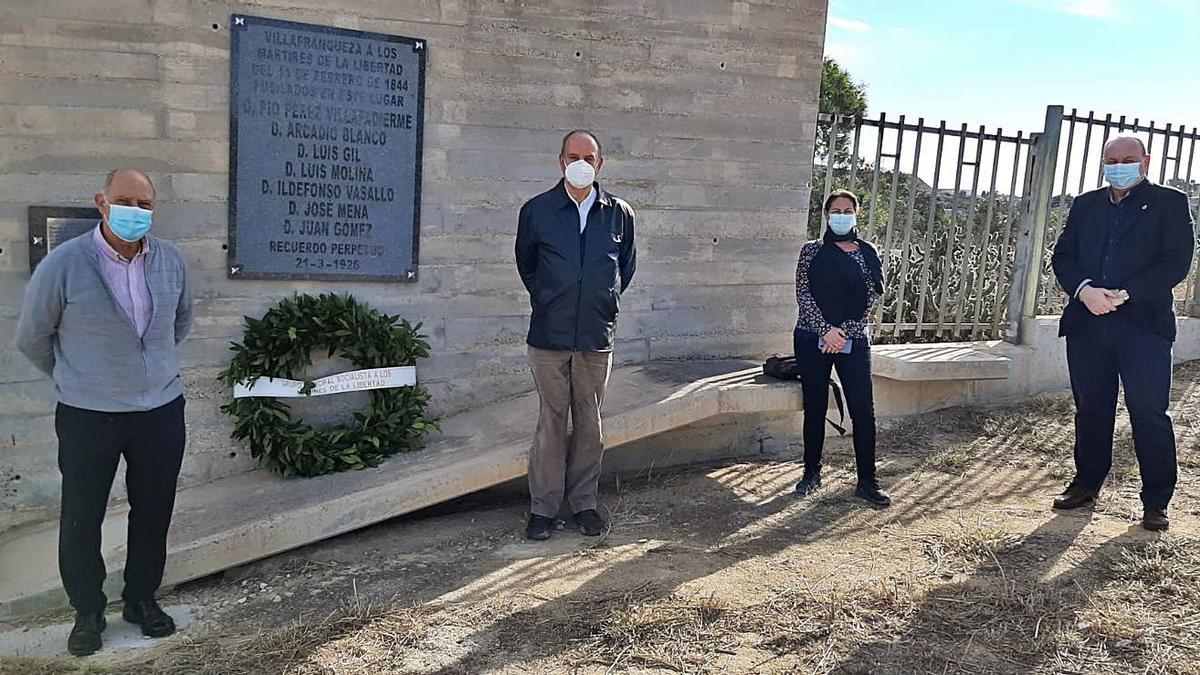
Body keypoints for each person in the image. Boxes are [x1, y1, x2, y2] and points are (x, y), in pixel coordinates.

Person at [15, 169, 193, 656]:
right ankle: (88, 611)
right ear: (101, 201)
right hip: (88, 415)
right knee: (82, 515)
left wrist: (146, 372)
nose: (136, 210)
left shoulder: (171, 261)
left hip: (159, 410)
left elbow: (180, 322)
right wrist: (80, 378)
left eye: (145, 203)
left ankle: (141, 599)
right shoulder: (65, 264)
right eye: (124, 200)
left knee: (153, 511)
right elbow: (33, 336)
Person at [1050, 136, 1195, 531]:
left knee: (1149, 413)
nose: (1119, 165)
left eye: (1128, 159)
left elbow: (1175, 263)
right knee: (1092, 409)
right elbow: (1062, 256)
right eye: (1111, 160)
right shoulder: (1086, 205)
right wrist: (1084, 291)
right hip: (1088, 323)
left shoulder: (1169, 202)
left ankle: (1156, 501)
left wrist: (1125, 294)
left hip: (1144, 326)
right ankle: (1086, 483)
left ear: (1145, 161)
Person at [514, 130, 637, 540]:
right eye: (573, 156)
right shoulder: (538, 210)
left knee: (590, 422)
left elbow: (626, 268)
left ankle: (584, 504)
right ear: (560, 161)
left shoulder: (619, 213)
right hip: (548, 336)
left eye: (589, 156)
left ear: (600, 163)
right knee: (552, 421)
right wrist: (550, 299)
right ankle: (543, 510)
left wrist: (603, 302)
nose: (581, 163)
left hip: (595, 337)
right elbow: (527, 265)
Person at [792, 189, 891, 506]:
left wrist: (843, 333)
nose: (842, 215)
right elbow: (803, 294)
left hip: (854, 341)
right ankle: (811, 473)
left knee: (863, 412)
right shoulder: (811, 251)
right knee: (816, 407)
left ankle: (867, 481)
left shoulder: (867, 252)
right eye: (836, 210)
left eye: (848, 210)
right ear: (826, 215)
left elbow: (873, 297)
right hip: (811, 338)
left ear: (856, 214)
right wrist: (825, 331)